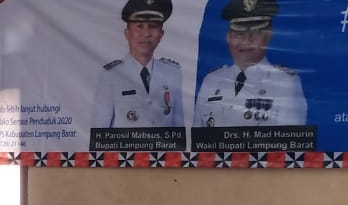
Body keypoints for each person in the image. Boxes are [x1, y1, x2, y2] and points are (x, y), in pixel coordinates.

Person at [193, 0, 307, 128]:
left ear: (269, 35)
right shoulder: (212, 81)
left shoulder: (286, 83)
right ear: (228, 37)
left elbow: (291, 138)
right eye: (239, 34)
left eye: (255, 33)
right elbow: (197, 136)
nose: (246, 41)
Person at [91, 0, 183, 129]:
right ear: (127, 33)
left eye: (153, 26)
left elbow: (178, 130)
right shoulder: (111, 75)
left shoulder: (172, 73)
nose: (146, 34)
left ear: (161, 34)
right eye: (139, 26)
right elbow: (99, 132)